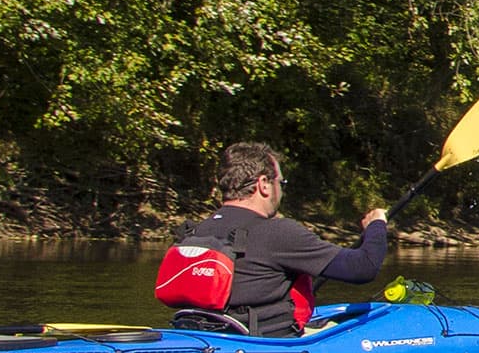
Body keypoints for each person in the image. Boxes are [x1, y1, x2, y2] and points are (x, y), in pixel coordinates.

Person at [163, 143, 391, 336]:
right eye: (281, 184)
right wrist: (376, 225)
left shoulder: (196, 231)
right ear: (263, 184)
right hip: (262, 346)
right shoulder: (278, 232)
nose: (281, 192)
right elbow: (363, 267)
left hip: (203, 335)